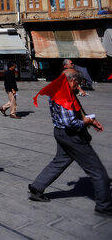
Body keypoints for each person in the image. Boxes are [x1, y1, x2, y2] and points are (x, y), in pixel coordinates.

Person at [28, 69, 112, 217]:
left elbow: (76, 111)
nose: (77, 87)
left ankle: (37, 187)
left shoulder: (58, 89)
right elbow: (71, 123)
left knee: (60, 160)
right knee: (97, 171)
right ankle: (104, 206)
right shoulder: (64, 96)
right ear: (72, 80)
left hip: (60, 133)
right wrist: (86, 122)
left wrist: (90, 121)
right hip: (71, 136)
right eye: (77, 84)